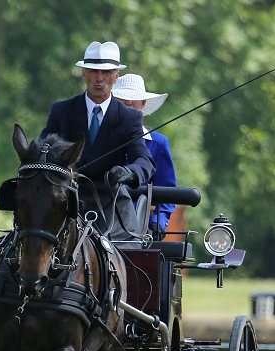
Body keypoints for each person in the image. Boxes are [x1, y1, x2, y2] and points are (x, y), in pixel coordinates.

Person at [41, 42, 155, 240]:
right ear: (84, 73)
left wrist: (129, 172)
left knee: (133, 257)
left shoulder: (129, 118)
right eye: (94, 71)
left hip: (111, 201)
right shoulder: (62, 111)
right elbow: (44, 149)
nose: (99, 79)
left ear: (116, 76)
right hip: (67, 198)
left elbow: (145, 161)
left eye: (107, 72)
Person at [111, 73, 176, 236]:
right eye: (122, 102)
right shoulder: (97, 138)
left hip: (135, 230)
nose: (128, 105)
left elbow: (166, 192)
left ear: (143, 104)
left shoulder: (158, 144)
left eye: (133, 102)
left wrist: (157, 224)